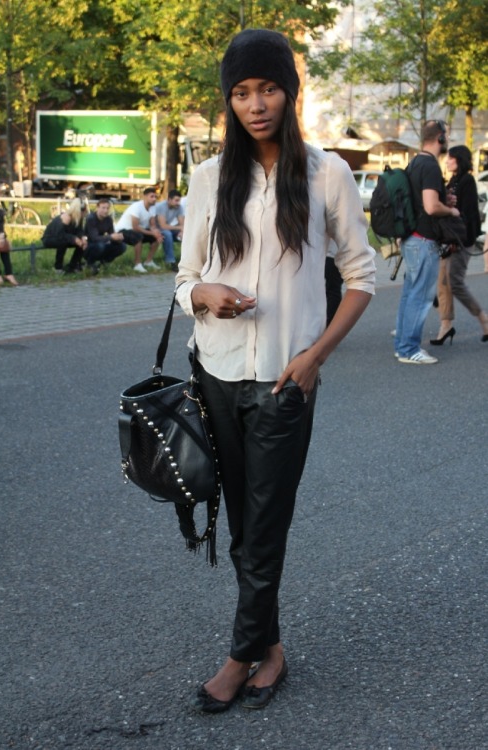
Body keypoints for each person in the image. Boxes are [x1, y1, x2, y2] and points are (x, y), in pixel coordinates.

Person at [175, 28, 375, 714]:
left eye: (267, 88)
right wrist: (203, 296)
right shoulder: (207, 178)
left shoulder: (326, 173)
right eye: (240, 92)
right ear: (228, 101)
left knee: (265, 526)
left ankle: (239, 658)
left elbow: (361, 277)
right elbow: (184, 278)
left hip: (288, 380)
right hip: (217, 373)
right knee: (242, 524)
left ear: (290, 93)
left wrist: (315, 357)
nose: (255, 104)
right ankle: (274, 647)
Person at [394, 120, 460, 364]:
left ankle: (402, 345)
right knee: (420, 297)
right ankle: (409, 349)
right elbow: (431, 206)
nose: (447, 143)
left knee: (410, 294)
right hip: (424, 241)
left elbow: (423, 202)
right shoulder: (431, 166)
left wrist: (445, 201)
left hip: (411, 237)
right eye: (447, 137)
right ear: (440, 138)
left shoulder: (414, 163)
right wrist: (451, 211)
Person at [431, 145, 488, 345]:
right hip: (449, 241)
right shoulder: (454, 180)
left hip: (462, 241)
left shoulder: (467, 181)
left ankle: (484, 319)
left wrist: (460, 241)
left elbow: (470, 216)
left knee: (454, 281)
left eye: (451, 158)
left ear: (460, 160)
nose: (447, 161)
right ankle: (445, 325)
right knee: (442, 284)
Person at [115, 188, 163, 272]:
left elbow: (152, 224)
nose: (154, 199)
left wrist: (156, 232)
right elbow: (135, 227)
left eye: (155, 196)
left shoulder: (152, 207)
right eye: (152, 196)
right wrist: (152, 233)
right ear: (144, 197)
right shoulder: (136, 207)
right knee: (138, 237)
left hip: (138, 230)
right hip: (123, 230)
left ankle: (148, 261)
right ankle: (137, 264)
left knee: (156, 237)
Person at [42, 197, 88, 273]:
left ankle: (73, 265)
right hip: (50, 238)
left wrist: (83, 238)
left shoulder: (78, 218)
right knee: (63, 243)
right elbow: (60, 235)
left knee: (82, 244)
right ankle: (58, 267)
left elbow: (79, 230)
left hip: (66, 237)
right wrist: (74, 239)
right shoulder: (66, 217)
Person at [84, 198, 129, 270]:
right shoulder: (91, 218)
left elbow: (112, 234)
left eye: (107, 208)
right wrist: (111, 237)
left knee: (122, 246)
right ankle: (90, 263)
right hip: (88, 244)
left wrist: (118, 238)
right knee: (100, 245)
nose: (106, 210)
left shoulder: (108, 219)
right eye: (103, 208)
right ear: (97, 208)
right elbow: (94, 238)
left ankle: (104, 262)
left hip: (101, 242)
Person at [0, 190, 18, 285]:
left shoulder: (0, 213)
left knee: (3, 246)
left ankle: (8, 273)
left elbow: (1, 228)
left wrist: (2, 236)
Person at [153, 189, 184, 271]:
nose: (178, 203)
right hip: (157, 229)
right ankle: (171, 261)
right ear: (169, 200)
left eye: (179, 200)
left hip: (170, 228)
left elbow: (182, 224)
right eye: (176, 200)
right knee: (167, 234)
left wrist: (182, 231)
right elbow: (163, 226)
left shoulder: (179, 207)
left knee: (186, 235)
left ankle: (184, 261)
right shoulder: (161, 206)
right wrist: (180, 228)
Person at [325, 239, 343, 325]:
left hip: (331, 254)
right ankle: (331, 324)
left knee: (332, 290)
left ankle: (330, 324)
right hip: (334, 254)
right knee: (333, 290)